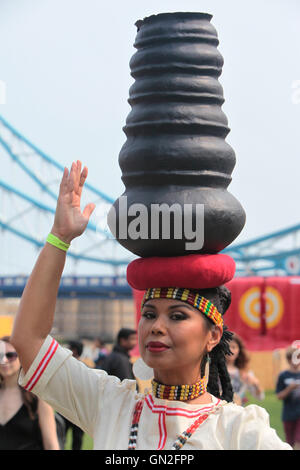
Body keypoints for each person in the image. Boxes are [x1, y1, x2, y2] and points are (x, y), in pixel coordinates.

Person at [10, 161, 291, 449]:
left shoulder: (240, 431)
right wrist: (60, 237)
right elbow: (29, 341)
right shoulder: (110, 404)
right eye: (149, 314)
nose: (156, 326)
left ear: (213, 335)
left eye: (178, 316)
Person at [0, 336, 61, 450]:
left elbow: (51, 444)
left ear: (22, 358)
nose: (4, 361)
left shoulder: (37, 395)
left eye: (10, 356)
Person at [59, 340, 85, 450]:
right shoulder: (86, 368)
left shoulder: (66, 368)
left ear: (74, 350)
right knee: (75, 440)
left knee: (62, 438)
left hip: (68, 408)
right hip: (78, 410)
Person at [226, 333, 264, 406]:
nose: (230, 350)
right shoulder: (215, 371)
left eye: (233, 347)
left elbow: (260, 397)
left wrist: (256, 384)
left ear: (239, 350)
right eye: (227, 347)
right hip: (220, 413)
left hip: (238, 413)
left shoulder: (244, 372)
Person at [276, 345, 300, 449]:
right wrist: (289, 389)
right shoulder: (283, 376)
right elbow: (279, 396)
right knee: (289, 443)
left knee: (299, 440)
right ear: (288, 360)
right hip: (288, 414)